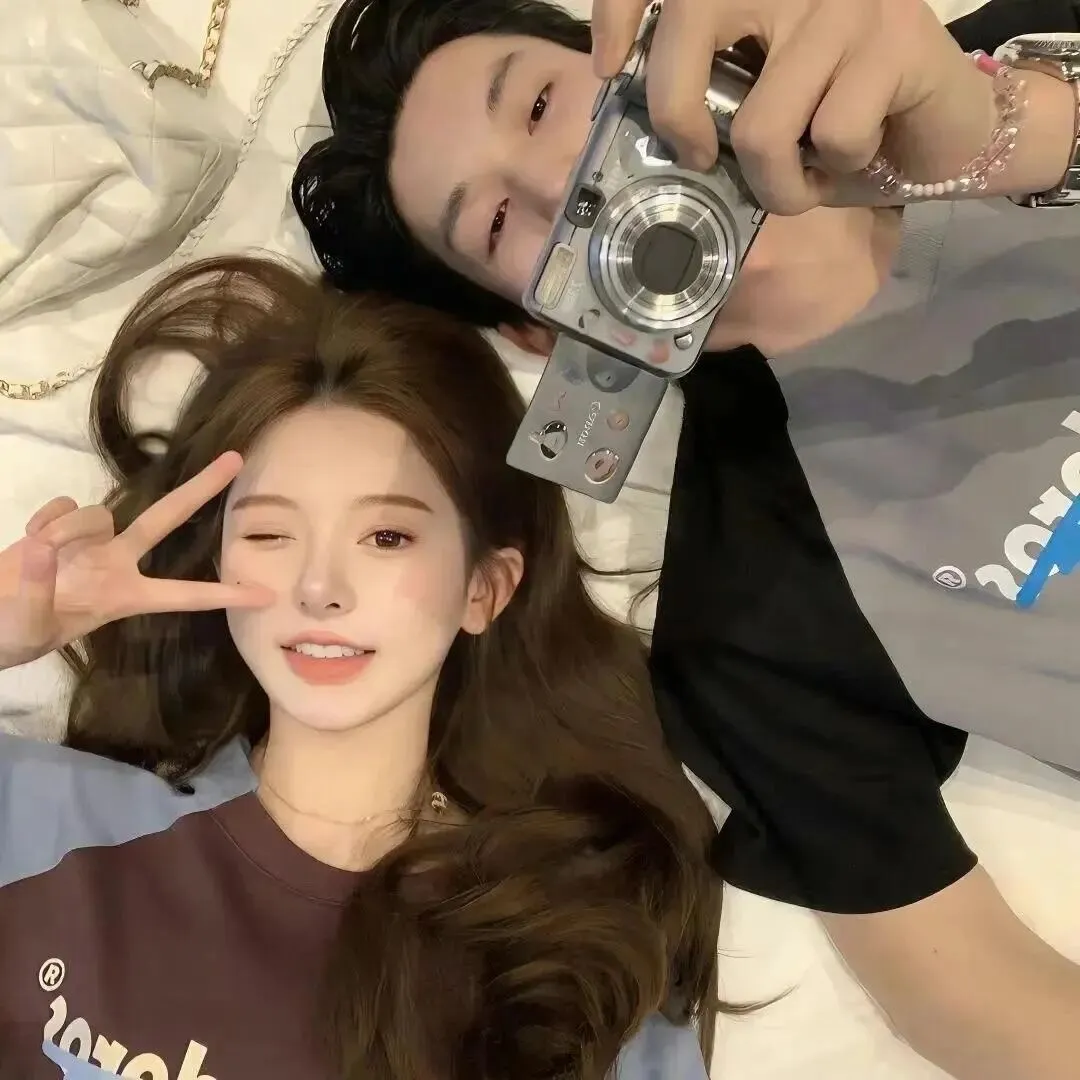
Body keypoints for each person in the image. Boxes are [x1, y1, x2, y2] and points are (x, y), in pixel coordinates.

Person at [290, 0, 1080, 1077]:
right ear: (536, 329)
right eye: (497, 225)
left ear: (638, 54)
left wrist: (1016, 132)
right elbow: (981, 999)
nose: (561, 184)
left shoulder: (1005, 61)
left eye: (540, 105)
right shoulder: (748, 624)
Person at [0, 255, 728, 1080]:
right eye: (271, 533)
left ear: (485, 589)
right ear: (217, 564)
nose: (320, 589)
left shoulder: (564, 958)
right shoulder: (45, 818)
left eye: (387, 537)